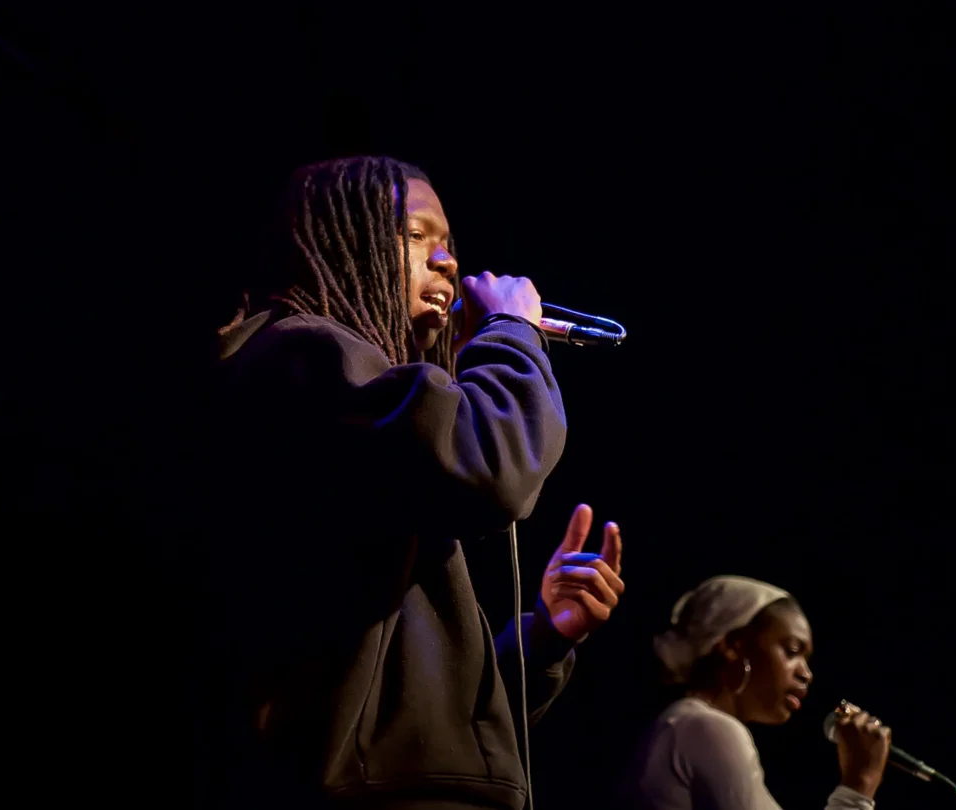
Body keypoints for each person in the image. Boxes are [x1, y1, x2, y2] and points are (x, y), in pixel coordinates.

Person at [198, 156, 625, 809]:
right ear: (349, 246)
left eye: (449, 243)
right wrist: (510, 332)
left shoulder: (386, 424)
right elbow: (493, 465)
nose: (448, 261)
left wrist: (542, 637)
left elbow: (427, 717)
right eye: (416, 234)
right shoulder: (306, 356)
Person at [622, 576, 892, 810]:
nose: (806, 674)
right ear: (732, 645)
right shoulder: (705, 727)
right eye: (792, 651)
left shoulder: (684, 722)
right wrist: (859, 784)